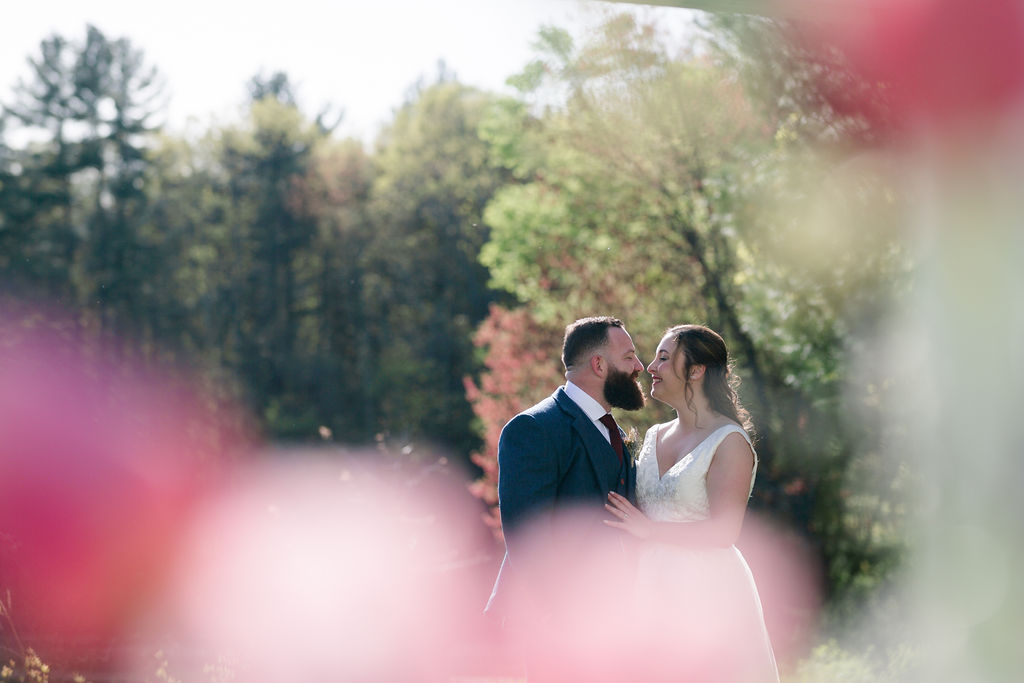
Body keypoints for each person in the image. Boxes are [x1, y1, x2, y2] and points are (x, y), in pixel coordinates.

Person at [605, 324, 780, 683]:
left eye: (664, 358)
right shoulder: (654, 435)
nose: (650, 367)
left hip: (706, 591)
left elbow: (724, 532)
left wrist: (649, 529)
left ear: (697, 370)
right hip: (648, 586)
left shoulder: (729, 441)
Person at [485, 315, 646, 679]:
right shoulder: (534, 428)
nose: (639, 366)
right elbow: (528, 538)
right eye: (630, 356)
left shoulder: (617, 432)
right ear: (599, 364)